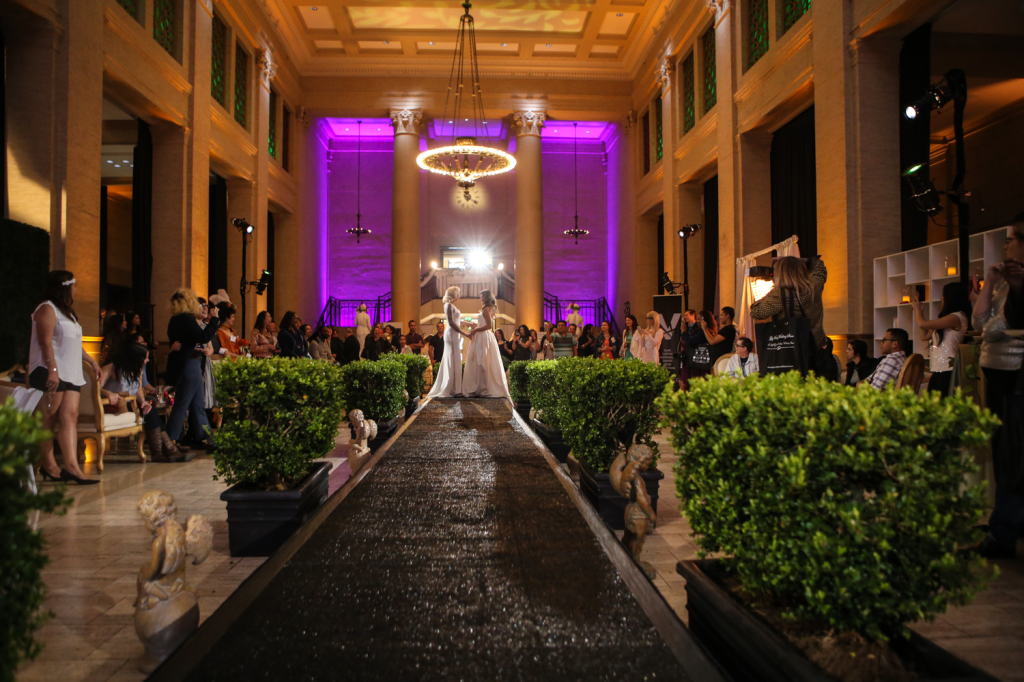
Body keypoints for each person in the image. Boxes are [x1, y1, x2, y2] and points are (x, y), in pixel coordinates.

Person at [972, 214, 1024, 558]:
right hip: (997, 374)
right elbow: (979, 321)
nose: (1006, 245)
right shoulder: (1006, 282)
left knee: (1014, 455)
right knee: (1004, 453)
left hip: (1018, 375)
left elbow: (997, 327)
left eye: (1012, 238)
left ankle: (1005, 531)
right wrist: (990, 284)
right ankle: (1003, 523)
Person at [31, 270, 101, 485]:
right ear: (66, 287)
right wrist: (52, 370)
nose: (76, 289)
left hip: (71, 372)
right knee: (48, 419)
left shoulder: (67, 313)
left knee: (70, 417)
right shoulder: (46, 309)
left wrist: (91, 361)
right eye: (75, 285)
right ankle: (49, 465)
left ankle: (72, 467)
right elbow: (45, 342)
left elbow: (74, 344)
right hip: (50, 370)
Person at [100, 342, 193, 463]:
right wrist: (108, 393)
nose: (147, 360)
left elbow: (137, 387)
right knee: (151, 413)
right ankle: (166, 451)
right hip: (113, 404)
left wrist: (143, 401)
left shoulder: (137, 369)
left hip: (130, 402)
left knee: (150, 409)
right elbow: (94, 386)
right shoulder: (112, 367)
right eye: (146, 358)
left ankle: (166, 451)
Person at [165, 289, 220, 449]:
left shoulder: (175, 320)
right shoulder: (186, 319)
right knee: (182, 403)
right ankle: (169, 440)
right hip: (189, 365)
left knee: (197, 404)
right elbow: (202, 337)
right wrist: (215, 321)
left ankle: (206, 438)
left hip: (188, 364)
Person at [751, 256, 829, 350]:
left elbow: (756, 312)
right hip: (816, 346)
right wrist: (800, 260)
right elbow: (819, 266)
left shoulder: (781, 295)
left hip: (791, 348)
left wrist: (773, 290)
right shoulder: (815, 286)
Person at [912, 283, 971, 396]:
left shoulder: (956, 317)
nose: (941, 299)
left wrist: (918, 311)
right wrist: (919, 312)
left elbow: (923, 324)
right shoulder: (947, 318)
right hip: (937, 369)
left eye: (943, 295)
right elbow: (924, 336)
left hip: (949, 369)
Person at [462, 289, 512, 400]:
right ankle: (482, 386)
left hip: (482, 337)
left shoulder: (486, 309)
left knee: (481, 360)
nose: (480, 299)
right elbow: (483, 324)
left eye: (481, 297)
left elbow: (489, 326)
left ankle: (481, 387)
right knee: (484, 360)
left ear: (486, 297)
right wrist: (471, 325)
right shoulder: (489, 308)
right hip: (483, 335)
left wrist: (475, 331)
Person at [426, 286, 470, 398]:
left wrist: (469, 324)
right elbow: (451, 322)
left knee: (455, 359)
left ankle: (456, 388)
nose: (459, 296)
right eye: (458, 293)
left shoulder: (452, 306)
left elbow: (457, 320)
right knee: (453, 359)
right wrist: (465, 333)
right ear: (454, 295)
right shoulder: (448, 305)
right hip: (451, 334)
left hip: (454, 333)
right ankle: (453, 388)